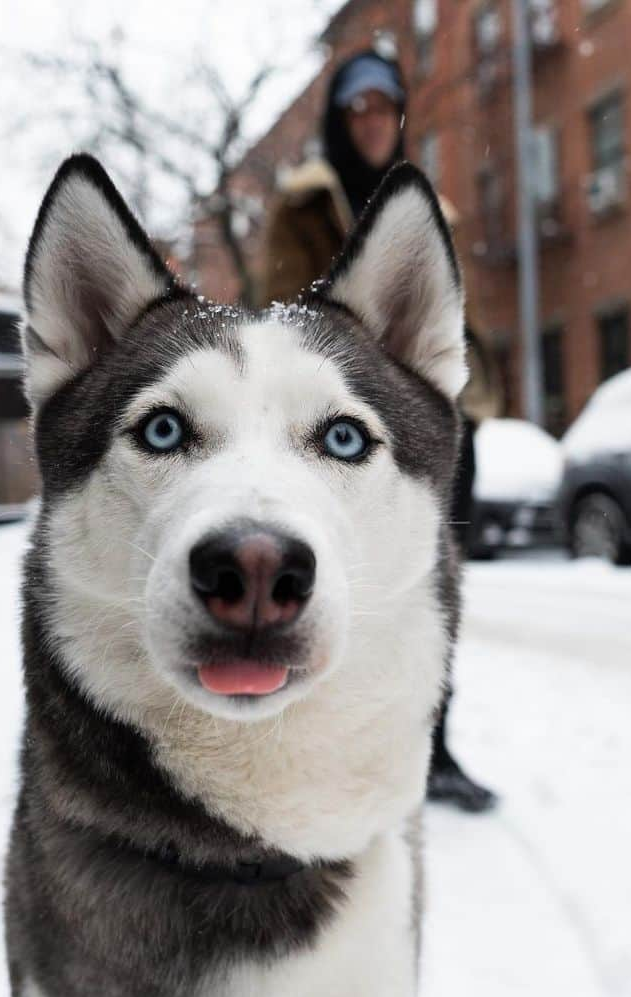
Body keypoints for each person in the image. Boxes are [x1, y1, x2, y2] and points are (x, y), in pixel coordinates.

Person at [262, 49, 498, 813]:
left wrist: (472, 384)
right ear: (339, 117)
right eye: (357, 107)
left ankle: (431, 742)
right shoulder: (302, 208)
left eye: (384, 107)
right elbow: (287, 316)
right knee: (339, 579)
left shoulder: (431, 209)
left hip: (435, 424)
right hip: (342, 423)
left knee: (434, 582)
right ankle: (324, 739)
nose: (371, 120)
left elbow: (447, 314)